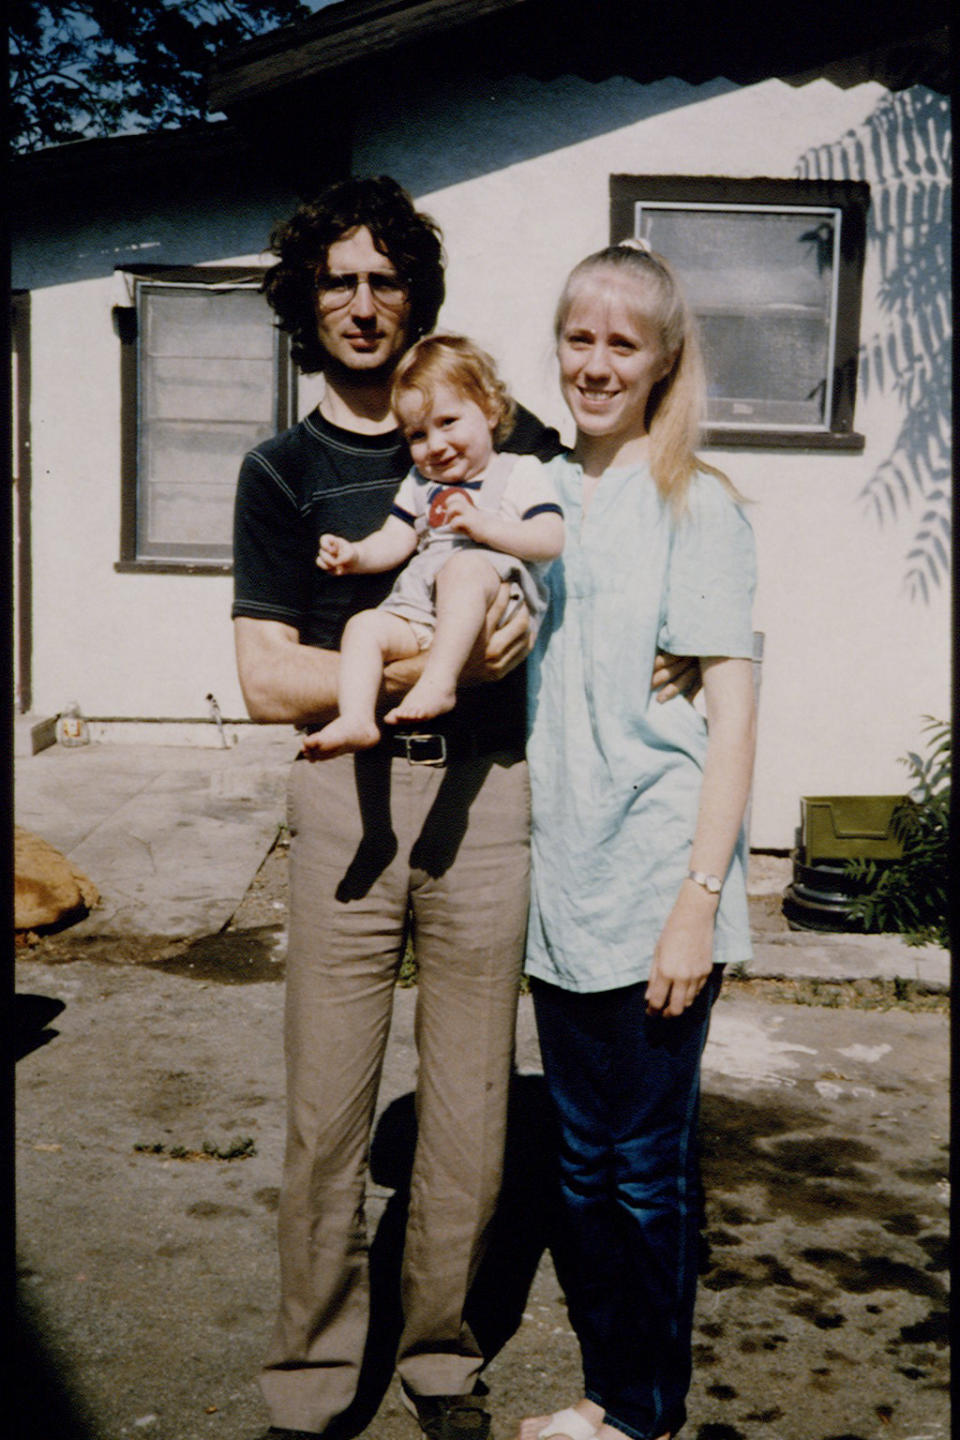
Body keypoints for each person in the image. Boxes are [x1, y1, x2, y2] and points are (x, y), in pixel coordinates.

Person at [232, 175, 696, 1440]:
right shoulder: (282, 472)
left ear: (416, 295)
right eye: (340, 280)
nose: (365, 303)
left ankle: (440, 1358)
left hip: (491, 806)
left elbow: (600, 561)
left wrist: (680, 655)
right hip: (346, 803)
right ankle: (315, 1379)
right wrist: (425, 659)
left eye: (387, 279)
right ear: (306, 301)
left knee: (473, 1109)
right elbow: (268, 675)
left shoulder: (501, 433)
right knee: (328, 1113)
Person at [517, 241, 757, 1440]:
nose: (597, 362)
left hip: (660, 885)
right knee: (578, 1165)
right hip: (563, 890)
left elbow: (737, 715)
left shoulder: (697, 502)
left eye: (624, 343)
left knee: (641, 1170)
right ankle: (607, 1395)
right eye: (579, 337)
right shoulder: (542, 493)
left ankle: (643, 1414)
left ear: (663, 362)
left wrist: (698, 898)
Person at [304, 334, 564, 757]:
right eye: (418, 434)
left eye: (448, 422)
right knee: (363, 626)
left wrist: (483, 527)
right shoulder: (421, 484)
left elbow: (550, 538)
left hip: (494, 597)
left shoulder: (519, 471)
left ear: (491, 410)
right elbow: (396, 538)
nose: (436, 445)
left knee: (462, 569)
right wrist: (356, 555)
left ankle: (439, 684)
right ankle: (355, 719)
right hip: (423, 609)